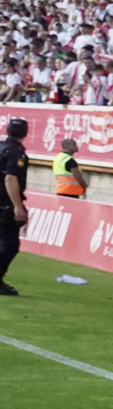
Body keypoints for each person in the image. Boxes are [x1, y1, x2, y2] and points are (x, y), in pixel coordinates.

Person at [0, 115, 26, 297]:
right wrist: (17, 205)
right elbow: (10, 178)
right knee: (10, 244)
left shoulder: (2, 147)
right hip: (4, 203)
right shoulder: (17, 152)